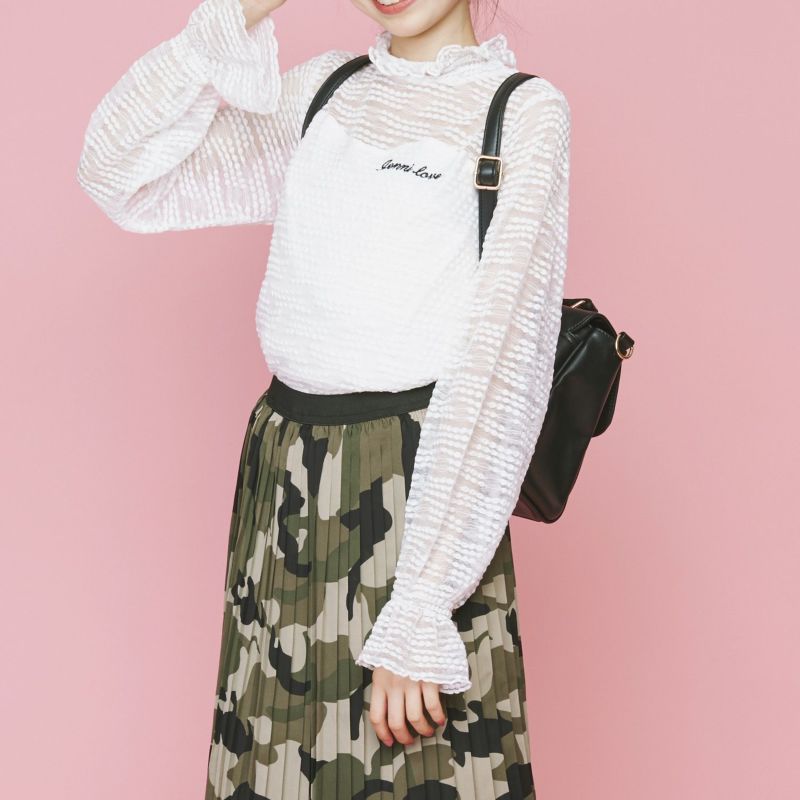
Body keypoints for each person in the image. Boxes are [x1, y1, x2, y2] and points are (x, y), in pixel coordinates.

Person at [76, 0, 570, 796]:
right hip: (283, 475)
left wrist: (421, 608)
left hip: (419, 490)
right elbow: (117, 171)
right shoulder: (325, 92)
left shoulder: (521, 112)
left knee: (416, 771)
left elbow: (501, 368)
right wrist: (239, 11)